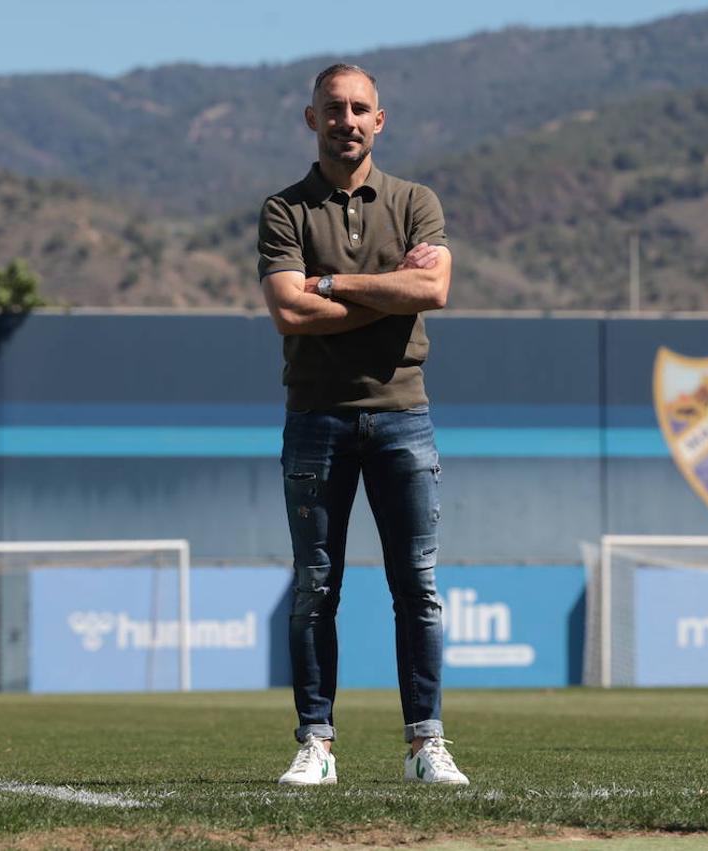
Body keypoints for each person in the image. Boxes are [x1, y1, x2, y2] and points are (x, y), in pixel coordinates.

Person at [257, 62, 467, 786]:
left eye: (360, 108)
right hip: (314, 417)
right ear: (311, 119)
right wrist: (389, 291)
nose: (347, 119)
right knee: (316, 585)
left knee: (418, 584)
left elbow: (433, 287)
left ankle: (425, 745)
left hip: (404, 415)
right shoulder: (284, 210)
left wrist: (330, 283)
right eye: (333, 108)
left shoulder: (416, 202)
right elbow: (287, 310)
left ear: (381, 119)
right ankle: (316, 742)